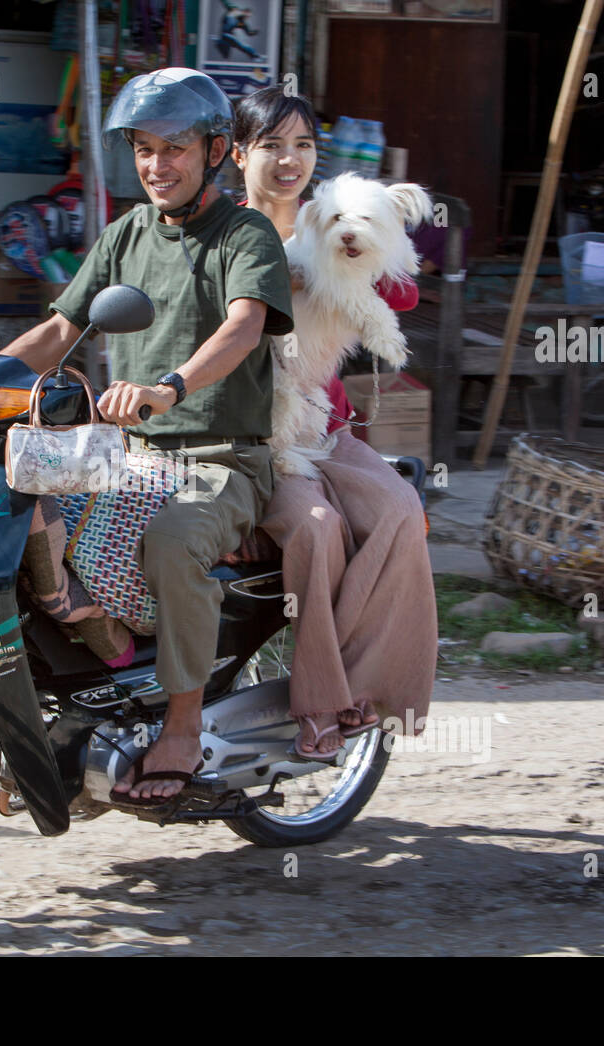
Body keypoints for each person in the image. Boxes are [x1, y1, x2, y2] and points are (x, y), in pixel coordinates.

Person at [0, 68, 294, 803]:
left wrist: (170, 388)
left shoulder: (244, 233)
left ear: (217, 150)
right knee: (10, 512)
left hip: (221, 461)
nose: (156, 166)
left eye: (174, 149)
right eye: (143, 149)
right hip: (126, 456)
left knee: (170, 543)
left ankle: (184, 726)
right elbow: (63, 328)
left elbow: (244, 324)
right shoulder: (125, 234)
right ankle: (73, 695)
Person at [230, 85, 437, 757]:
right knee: (315, 531)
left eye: (303, 146)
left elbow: (403, 288)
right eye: (271, 146)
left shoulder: (336, 216)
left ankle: (369, 688)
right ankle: (319, 703)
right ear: (239, 156)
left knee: (402, 508)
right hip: (256, 428)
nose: (289, 160)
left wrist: (356, 251)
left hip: (330, 422)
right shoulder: (226, 231)